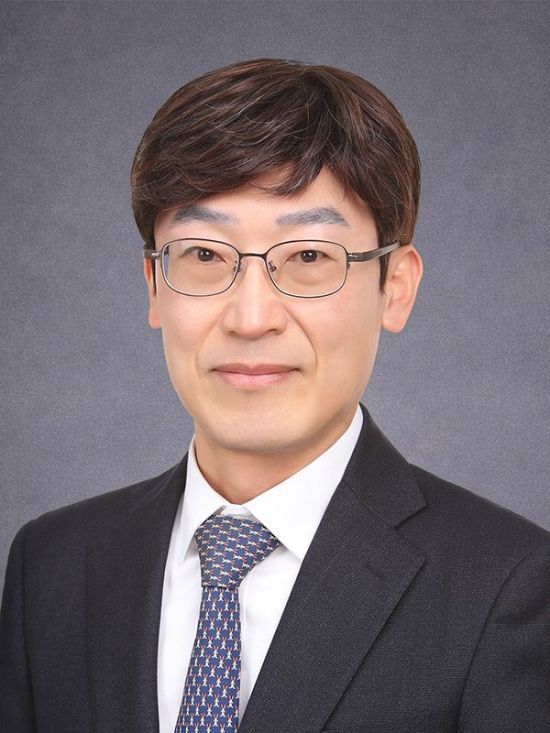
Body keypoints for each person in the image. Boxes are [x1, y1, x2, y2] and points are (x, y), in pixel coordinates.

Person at [1, 58, 549, 733]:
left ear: (396, 288)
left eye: (309, 257)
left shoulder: (508, 585)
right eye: (205, 255)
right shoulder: (52, 564)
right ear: (153, 284)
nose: (251, 316)